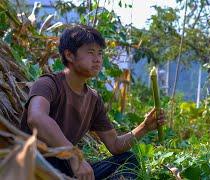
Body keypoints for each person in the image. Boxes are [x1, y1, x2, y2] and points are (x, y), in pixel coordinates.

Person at [20, 25, 165, 180]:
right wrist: (73, 155)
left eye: (100, 53)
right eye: (90, 52)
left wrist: (144, 127)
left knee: (128, 159)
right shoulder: (48, 84)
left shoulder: (93, 99)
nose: (97, 59)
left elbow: (115, 145)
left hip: (67, 170)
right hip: (35, 166)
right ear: (69, 55)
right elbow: (36, 118)